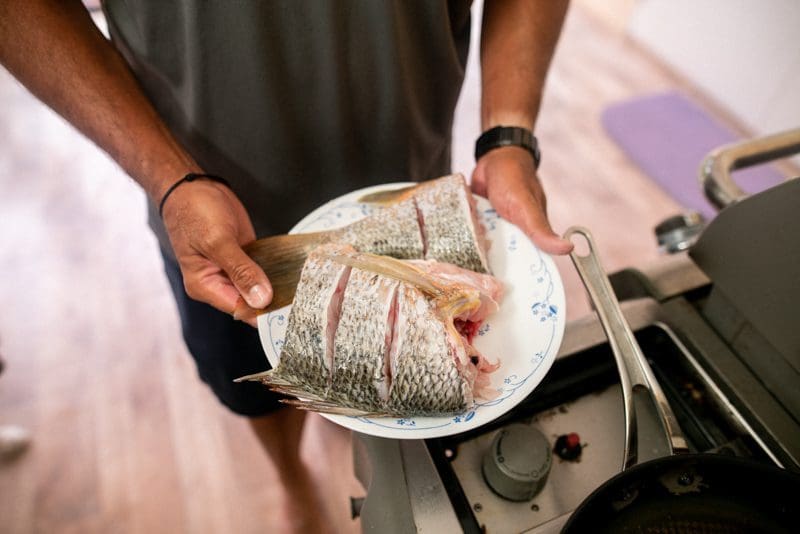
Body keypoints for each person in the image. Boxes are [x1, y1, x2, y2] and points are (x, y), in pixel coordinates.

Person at [0, 0, 572, 531]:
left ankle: (339, 424)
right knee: (251, 388)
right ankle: (292, 478)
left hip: (412, 193)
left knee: (365, 382)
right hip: (215, 214)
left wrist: (508, 134)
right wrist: (167, 176)